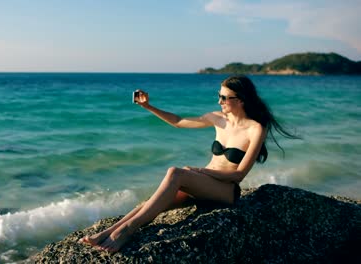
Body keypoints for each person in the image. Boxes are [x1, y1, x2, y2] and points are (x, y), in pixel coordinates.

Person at [79, 75, 299, 252]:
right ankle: (105, 233)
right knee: (150, 203)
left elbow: (239, 175)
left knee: (177, 172)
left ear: (240, 100)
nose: (219, 101)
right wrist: (148, 106)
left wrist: (200, 171)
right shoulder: (217, 118)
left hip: (225, 191)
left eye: (224, 98)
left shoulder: (255, 129)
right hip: (203, 184)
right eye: (219, 96)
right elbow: (178, 122)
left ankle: (125, 232)